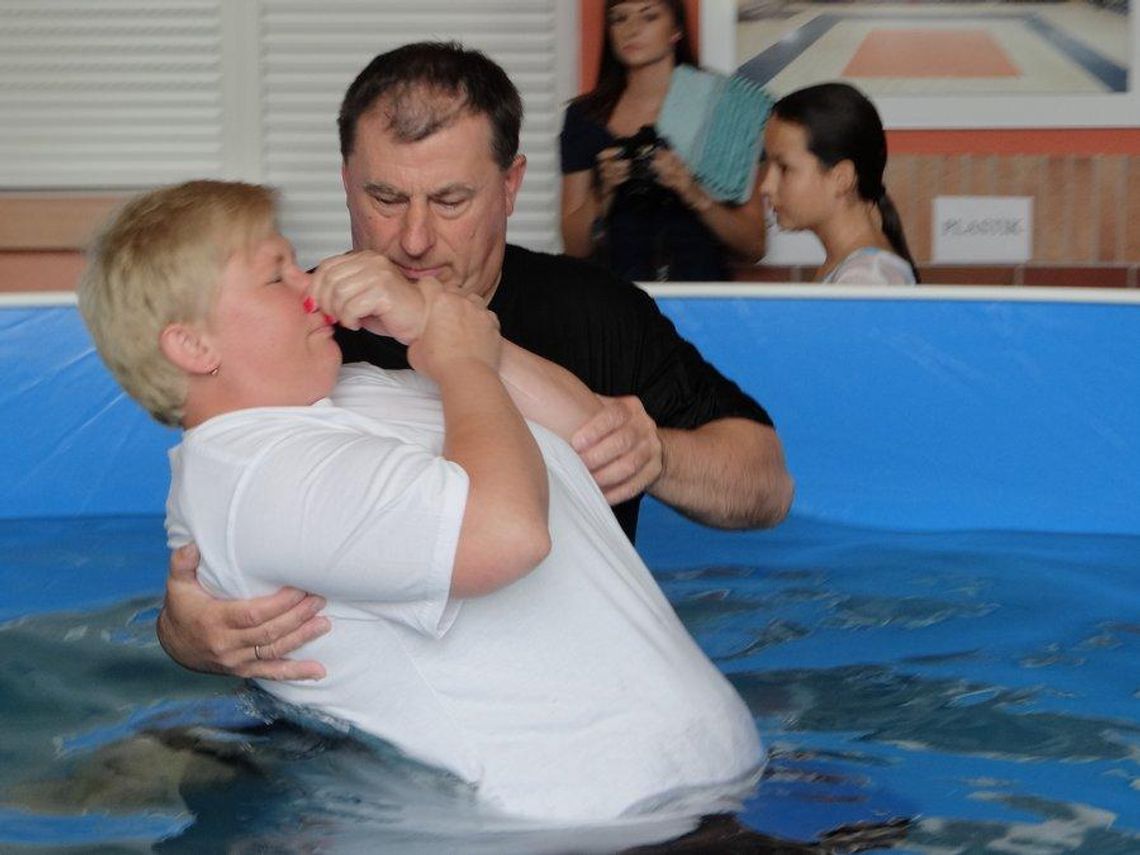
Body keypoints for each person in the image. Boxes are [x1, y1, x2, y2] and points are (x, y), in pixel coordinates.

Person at [77, 178, 764, 825]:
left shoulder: (348, 391)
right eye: (276, 274)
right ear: (193, 345)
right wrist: (460, 358)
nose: (311, 283)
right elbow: (506, 536)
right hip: (597, 821)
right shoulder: (254, 478)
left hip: (702, 789)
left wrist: (430, 321)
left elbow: (596, 437)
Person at [158, 41, 794, 681]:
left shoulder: (597, 311)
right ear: (346, 181)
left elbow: (767, 488)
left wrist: (656, 453)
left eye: (450, 201)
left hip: (565, 688)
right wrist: (184, 633)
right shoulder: (290, 327)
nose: (413, 239)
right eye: (384, 198)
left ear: (510, 186)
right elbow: (214, 510)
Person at [560, 0, 767, 281]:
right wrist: (603, 194)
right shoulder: (585, 117)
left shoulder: (723, 107)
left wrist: (692, 192)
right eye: (619, 19)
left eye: (649, 17)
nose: (631, 29)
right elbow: (574, 248)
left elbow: (753, 246)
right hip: (620, 303)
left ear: (676, 29)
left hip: (701, 301)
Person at [760, 82, 920, 285]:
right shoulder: (854, 271)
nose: (766, 186)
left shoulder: (865, 279)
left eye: (784, 168)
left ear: (842, 178)